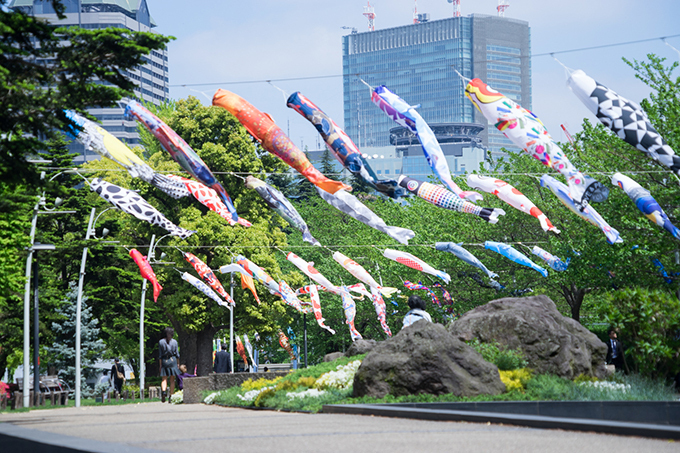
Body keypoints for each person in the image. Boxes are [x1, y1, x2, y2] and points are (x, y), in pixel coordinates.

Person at [159, 327, 180, 403]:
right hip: (173, 360)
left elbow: (160, 355)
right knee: (172, 380)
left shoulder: (161, 342)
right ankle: (171, 396)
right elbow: (177, 354)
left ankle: (164, 391)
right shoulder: (175, 342)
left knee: (164, 379)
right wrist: (178, 363)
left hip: (165, 360)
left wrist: (160, 365)